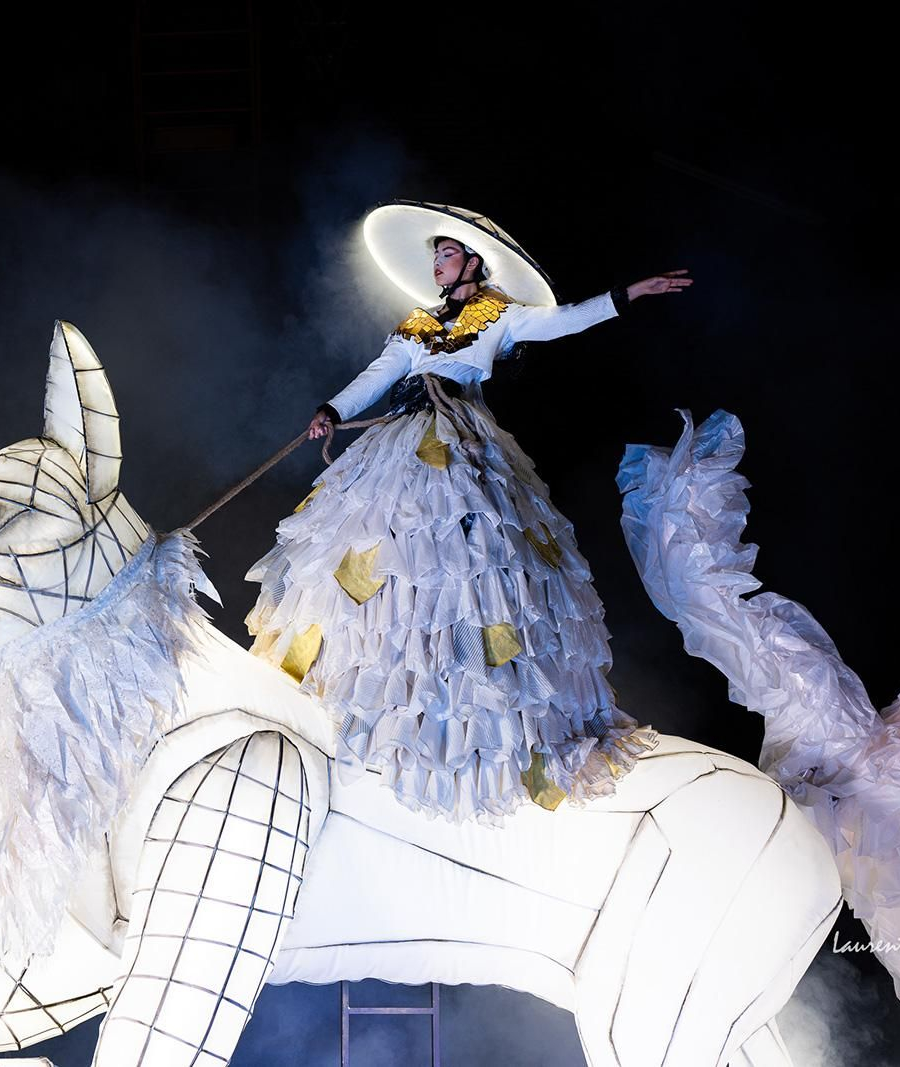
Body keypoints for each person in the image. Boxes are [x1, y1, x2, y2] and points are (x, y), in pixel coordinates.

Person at [244, 200, 692, 823]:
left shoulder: (500, 317)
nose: (436, 265)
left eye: (446, 254)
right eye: (433, 256)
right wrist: (333, 410)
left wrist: (628, 293)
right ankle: (356, 704)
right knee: (380, 555)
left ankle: (470, 716)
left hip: (460, 439)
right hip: (402, 440)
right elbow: (379, 373)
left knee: (470, 567)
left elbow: (566, 321)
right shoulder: (416, 325)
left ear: (474, 262)